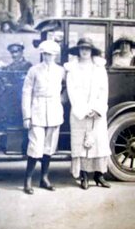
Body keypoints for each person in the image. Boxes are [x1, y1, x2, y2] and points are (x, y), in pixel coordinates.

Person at [65, 38, 112, 189]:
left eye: (87, 49)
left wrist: (96, 109)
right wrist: (84, 110)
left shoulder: (99, 68)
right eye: (82, 48)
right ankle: (84, 175)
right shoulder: (72, 69)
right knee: (81, 144)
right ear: (78, 50)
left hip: (96, 113)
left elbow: (103, 90)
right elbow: (72, 91)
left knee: (98, 143)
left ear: (92, 51)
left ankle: (99, 175)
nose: (84, 51)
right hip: (80, 112)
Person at [21, 40, 64, 194]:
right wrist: (27, 116)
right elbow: (26, 93)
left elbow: (69, 87)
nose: (48, 57)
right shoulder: (34, 70)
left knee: (49, 147)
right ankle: (28, 180)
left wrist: (62, 98)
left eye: (51, 54)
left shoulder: (61, 71)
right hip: (37, 110)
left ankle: (44, 178)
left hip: (54, 110)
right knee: (35, 147)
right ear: (42, 54)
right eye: (46, 54)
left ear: (55, 55)